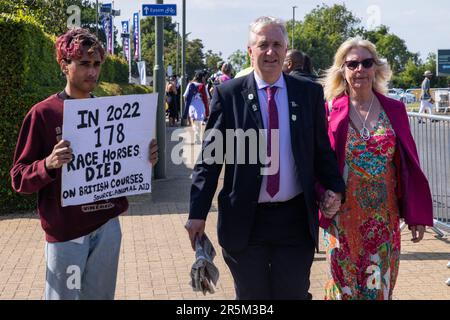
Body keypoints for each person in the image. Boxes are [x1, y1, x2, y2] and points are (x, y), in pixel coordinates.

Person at [185, 16, 345, 300]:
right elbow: (210, 161)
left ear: (285, 51)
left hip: (294, 220)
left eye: (276, 45)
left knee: (293, 293)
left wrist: (335, 189)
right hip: (245, 222)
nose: (270, 52)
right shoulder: (229, 95)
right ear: (250, 51)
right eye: (263, 45)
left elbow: (322, 153)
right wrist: (197, 213)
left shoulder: (308, 94)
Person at [10, 28, 159, 300]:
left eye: (97, 64)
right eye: (83, 64)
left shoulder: (110, 113)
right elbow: (19, 177)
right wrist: (48, 164)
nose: (92, 72)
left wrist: (142, 159)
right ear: (64, 65)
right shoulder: (43, 114)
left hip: (107, 226)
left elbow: (118, 165)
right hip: (67, 232)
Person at [320, 37, 433, 300]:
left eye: (366, 63)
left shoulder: (394, 109)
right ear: (343, 70)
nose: (360, 69)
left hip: (383, 223)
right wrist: (321, 194)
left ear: (376, 68)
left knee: (377, 292)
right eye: (352, 64)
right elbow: (319, 163)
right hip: (343, 222)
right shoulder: (330, 111)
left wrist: (415, 214)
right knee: (342, 293)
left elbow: (409, 165)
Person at [183, 70, 209, 144]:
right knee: (199, 122)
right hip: (201, 106)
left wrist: (186, 105)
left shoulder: (190, 84)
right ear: (202, 77)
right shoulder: (203, 86)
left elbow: (185, 96)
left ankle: (196, 133)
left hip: (192, 105)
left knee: (193, 120)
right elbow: (207, 98)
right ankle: (197, 135)